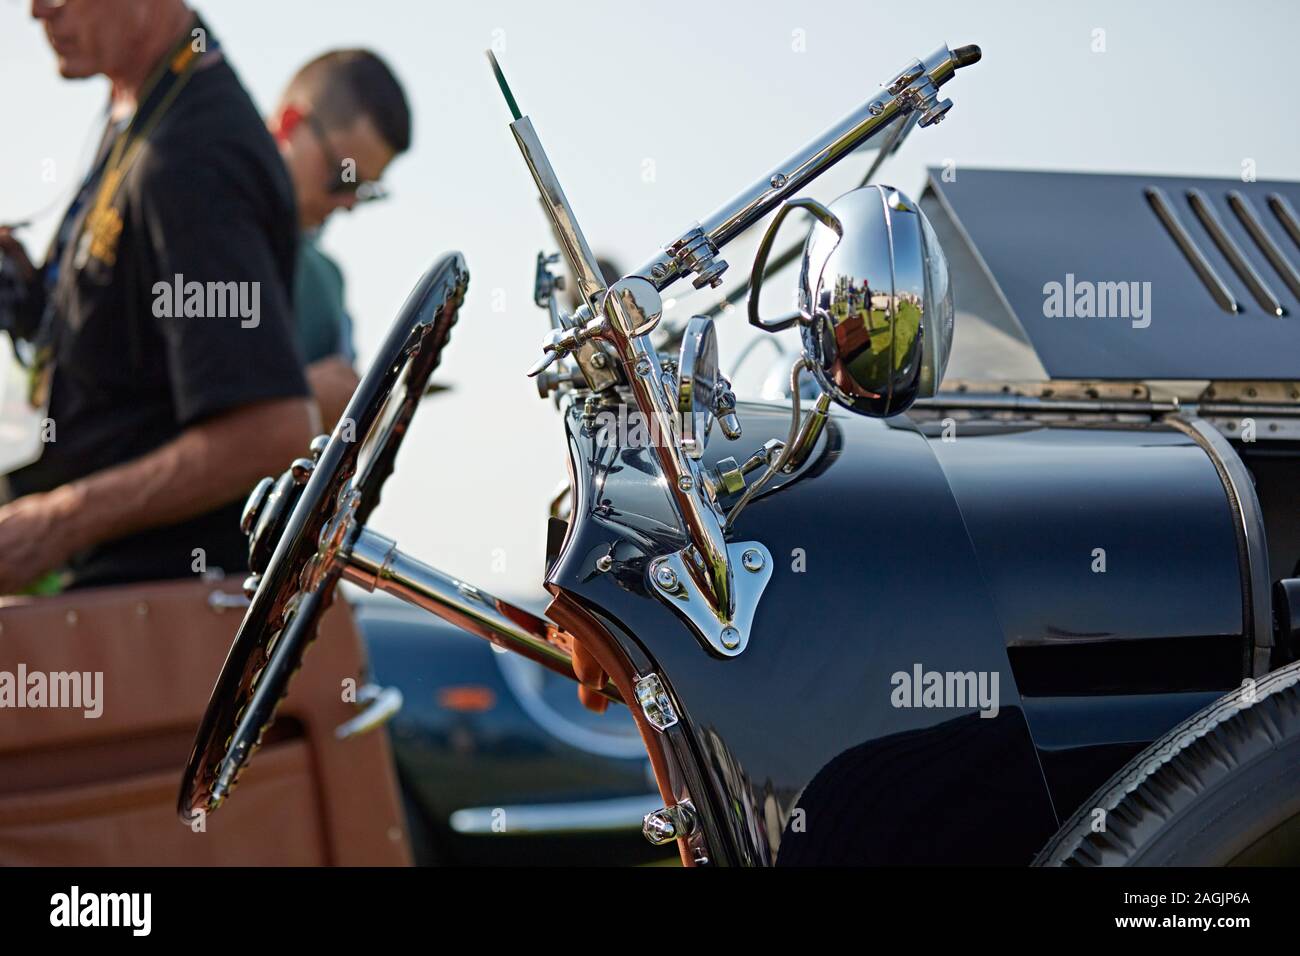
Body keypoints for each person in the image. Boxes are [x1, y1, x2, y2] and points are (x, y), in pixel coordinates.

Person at [0, 0, 313, 592]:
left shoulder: (194, 153)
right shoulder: (143, 105)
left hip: (148, 625)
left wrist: (56, 524)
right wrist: (28, 296)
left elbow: (272, 428)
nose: (37, 10)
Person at [268, 49, 412, 431]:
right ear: (289, 123)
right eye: (343, 177)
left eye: (363, 189)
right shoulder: (190, 225)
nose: (348, 203)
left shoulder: (326, 283)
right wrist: (304, 398)